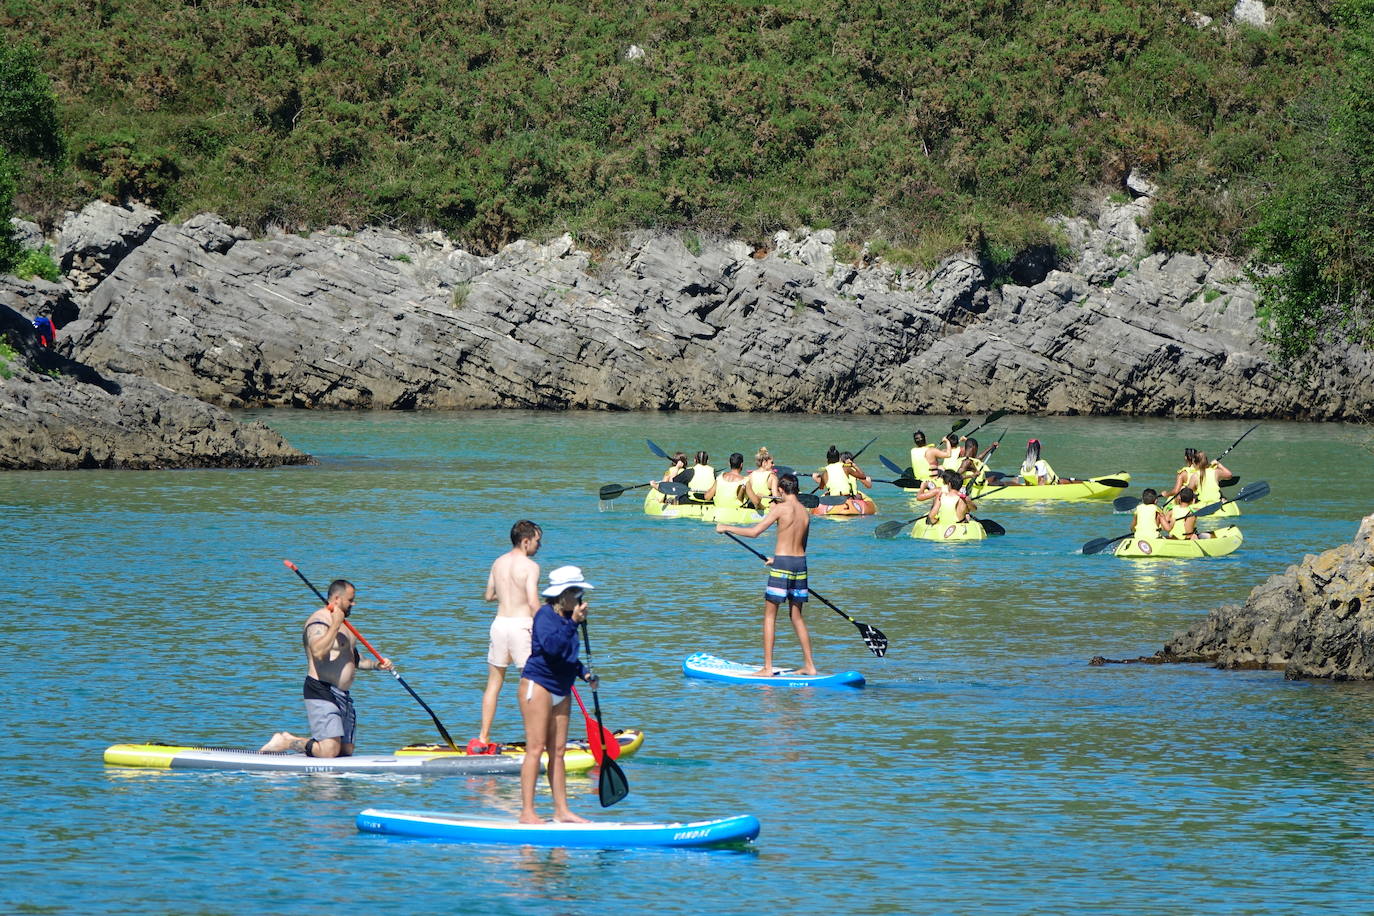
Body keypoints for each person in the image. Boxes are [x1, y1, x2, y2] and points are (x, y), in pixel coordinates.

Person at [259, 579, 393, 757]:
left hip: (343, 695)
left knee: (345, 751)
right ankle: (287, 741)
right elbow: (318, 652)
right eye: (350, 599)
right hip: (321, 689)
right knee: (329, 751)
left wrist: (377, 665)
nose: (354, 603)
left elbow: (355, 660)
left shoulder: (347, 627)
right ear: (337, 599)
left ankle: (314, 748)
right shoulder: (318, 622)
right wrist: (335, 623)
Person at [519, 565, 599, 824]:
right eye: (575, 592)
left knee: (559, 751)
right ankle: (527, 812)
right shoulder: (545, 616)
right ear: (562, 594)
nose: (580, 598)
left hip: (562, 688)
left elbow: (568, 655)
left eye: (580, 592)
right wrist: (574, 623)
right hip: (538, 684)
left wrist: (584, 673)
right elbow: (552, 648)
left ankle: (561, 811)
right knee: (535, 748)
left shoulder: (568, 618)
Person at [716, 473, 818, 676]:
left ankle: (768, 668)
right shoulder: (805, 513)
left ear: (781, 490)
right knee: (796, 616)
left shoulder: (781, 508)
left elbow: (755, 532)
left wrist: (726, 527)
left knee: (770, 616)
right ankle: (810, 666)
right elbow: (800, 545)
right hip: (799, 564)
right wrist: (776, 558)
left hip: (783, 566)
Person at [473, 519, 542, 754]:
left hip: (499, 625)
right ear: (525, 541)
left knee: (493, 684)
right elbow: (533, 602)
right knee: (531, 684)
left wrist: (507, 593)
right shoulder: (531, 567)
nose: (538, 546)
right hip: (522, 626)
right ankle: (535, 738)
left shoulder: (498, 562)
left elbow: (489, 595)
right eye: (537, 541)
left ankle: (483, 738)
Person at [812, 446, 873, 511]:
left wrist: (817, 478)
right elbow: (865, 479)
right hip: (848, 497)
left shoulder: (826, 472)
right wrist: (854, 466)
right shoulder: (848, 469)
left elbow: (821, 487)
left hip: (834, 499)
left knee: (827, 494)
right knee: (859, 495)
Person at [704, 452, 749, 517]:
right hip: (735, 514)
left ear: (729, 464)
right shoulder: (745, 480)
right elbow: (756, 502)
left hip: (718, 513)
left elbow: (707, 497)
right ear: (741, 465)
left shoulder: (720, 477)